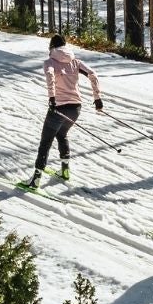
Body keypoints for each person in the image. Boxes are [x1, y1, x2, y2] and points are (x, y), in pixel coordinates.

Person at [29, 34, 103, 188]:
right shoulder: (75, 62)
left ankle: (35, 180)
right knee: (61, 134)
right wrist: (97, 98)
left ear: (51, 47)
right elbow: (92, 74)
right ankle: (65, 171)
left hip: (59, 107)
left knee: (46, 141)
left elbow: (50, 74)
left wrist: (52, 97)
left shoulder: (49, 62)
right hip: (76, 108)